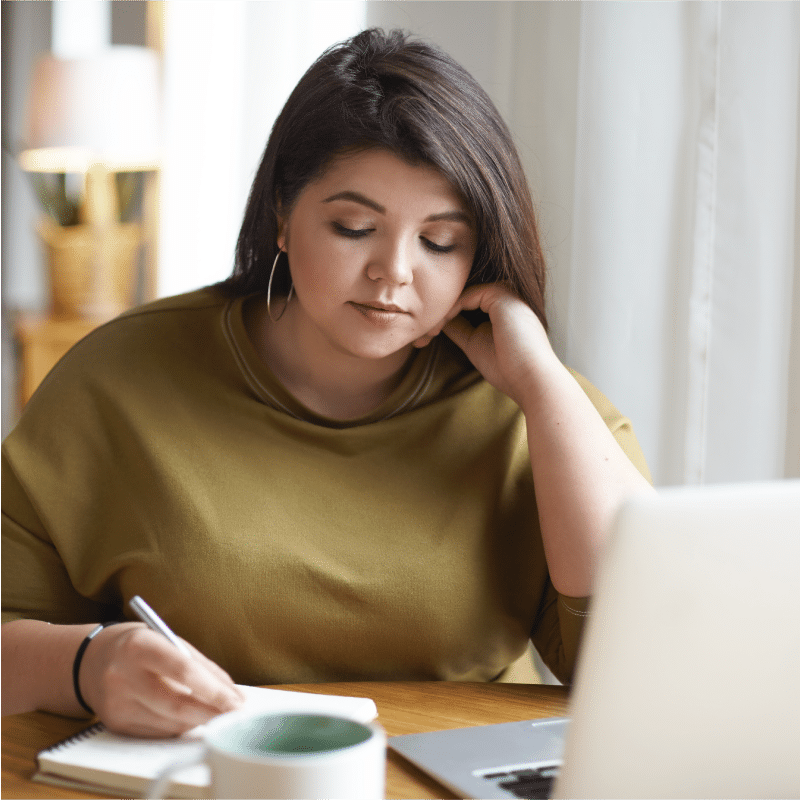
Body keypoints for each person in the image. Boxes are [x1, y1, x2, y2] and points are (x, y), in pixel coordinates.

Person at [1, 28, 653, 737]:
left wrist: (543, 386)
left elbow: (647, 663)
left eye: (440, 241)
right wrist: (86, 663)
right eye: (353, 226)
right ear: (282, 216)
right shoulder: (118, 380)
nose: (394, 271)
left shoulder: (543, 414)